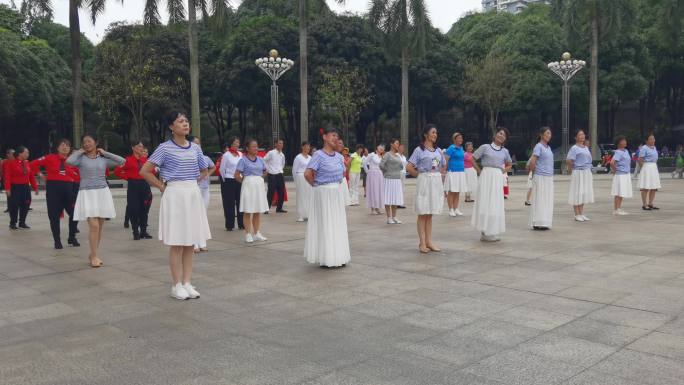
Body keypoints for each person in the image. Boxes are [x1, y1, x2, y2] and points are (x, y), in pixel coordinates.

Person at [140, 112, 210, 300]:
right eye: (180, 121)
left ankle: (187, 282)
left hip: (192, 193)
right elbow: (145, 171)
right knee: (177, 242)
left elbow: (204, 169)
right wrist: (163, 186)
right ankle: (176, 284)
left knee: (189, 242)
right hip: (175, 194)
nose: (185, 124)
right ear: (171, 127)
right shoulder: (164, 148)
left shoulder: (195, 148)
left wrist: (190, 183)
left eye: (186, 121)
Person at [67, 134, 124, 267]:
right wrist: (79, 151)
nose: (86, 144)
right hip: (87, 193)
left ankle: (93, 254)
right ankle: (94, 256)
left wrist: (105, 152)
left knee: (99, 227)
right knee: (94, 226)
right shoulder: (80, 159)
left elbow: (121, 161)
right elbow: (69, 161)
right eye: (84, 142)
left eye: (89, 141)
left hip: (102, 193)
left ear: (96, 142)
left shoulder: (103, 159)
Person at [304, 128, 350, 267]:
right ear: (324, 137)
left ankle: (339, 256)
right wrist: (317, 186)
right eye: (333, 135)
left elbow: (343, 173)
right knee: (326, 224)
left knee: (337, 223)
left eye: (337, 136)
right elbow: (307, 174)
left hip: (336, 192)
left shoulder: (339, 156)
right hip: (323, 193)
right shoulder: (318, 155)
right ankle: (326, 257)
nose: (335, 138)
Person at [30, 139, 80, 249]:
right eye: (62, 145)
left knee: (75, 213)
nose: (65, 147)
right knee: (54, 217)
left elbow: (79, 175)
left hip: (69, 189)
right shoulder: (49, 158)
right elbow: (33, 164)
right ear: (57, 148)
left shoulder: (73, 161)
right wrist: (40, 175)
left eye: (67, 145)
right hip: (54, 190)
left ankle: (72, 237)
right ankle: (57, 241)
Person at [407, 124, 445, 253]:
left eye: (436, 133)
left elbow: (443, 165)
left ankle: (429, 241)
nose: (435, 135)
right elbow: (409, 166)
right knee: (423, 212)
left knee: (430, 214)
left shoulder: (439, 150)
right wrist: (420, 175)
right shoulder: (419, 150)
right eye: (433, 132)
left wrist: (440, 177)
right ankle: (422, 243)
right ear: (426, 134)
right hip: (424, 181)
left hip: (435, 181)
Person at [471, 127, 512, 242]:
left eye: (504, 135)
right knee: (485, 202)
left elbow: (510, 164)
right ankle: (484, 231)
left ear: (505, 139)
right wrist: (479, 171)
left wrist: (502, 171)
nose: (501, 136)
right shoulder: (485, 147)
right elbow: (472, 158)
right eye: (500, 133)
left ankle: (493, 230)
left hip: (497, 177)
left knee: (495, 203)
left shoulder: (505, 151)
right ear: (495, 134)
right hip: (486, 175)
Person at [114, 140, 154, 240]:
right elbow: (117, 171)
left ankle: (143, 231)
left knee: (144, 209)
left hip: (144, 185)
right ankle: (135, 231)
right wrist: (128, 177)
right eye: (139, 146)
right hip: (133, 186)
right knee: (134, 209)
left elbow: (152, 171)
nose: (141, 148)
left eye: (142, 146)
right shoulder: (127, 160)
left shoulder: (145, 161)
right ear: (133, 148)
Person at [235, 139, 269, 243]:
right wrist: (246, 182)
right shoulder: (243, 160)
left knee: (257, 210)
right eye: (253, 146)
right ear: (247, 148)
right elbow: (236, 175)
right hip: (248, 185)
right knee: (248, 210)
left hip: (258, 185)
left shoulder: (260, 159)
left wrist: (259, 179)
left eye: (256, 146)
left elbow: (266, 170)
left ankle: (257, 233)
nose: (256, 148)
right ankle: (248, 234)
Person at [189, 136, 215, 253]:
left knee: (202, 215)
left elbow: (212, 167)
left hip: (204, 189)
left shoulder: (205, 158)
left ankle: (202, 242)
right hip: (193, 189)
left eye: (199, 144)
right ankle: (193, 243)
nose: (198, 146)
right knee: (193, 215)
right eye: (195, 143)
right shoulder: (188, 158)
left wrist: (206, 175)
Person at [4, 146, 38, 230]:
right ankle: (13, 223)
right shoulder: (11, 163)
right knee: (14, 205)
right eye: (26, 152)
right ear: (20, 153)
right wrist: (7, 189)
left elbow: (31, 176)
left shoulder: (27, 163)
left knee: (26, 204)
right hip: (15, 187)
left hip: (25, 187)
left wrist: (35, 187)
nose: (28, 154)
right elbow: (7, 177)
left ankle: (22, 222)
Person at [528, 127, 555, 230]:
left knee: (547, 200)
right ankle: (537, 221)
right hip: (540, 176)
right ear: (541, 134)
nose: (549, 135)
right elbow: (532, 161)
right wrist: (533, 174)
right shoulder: (538, 146)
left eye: (550, 134)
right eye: (547, 133)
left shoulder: (548, 148)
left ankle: (545, 221)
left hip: (548, 177)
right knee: (540, 199)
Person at [566, 129, 594, 222]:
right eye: (580, 135)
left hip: (586, 172)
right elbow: (569, 160)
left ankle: (581, 213)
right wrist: (571, 169)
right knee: (577, 192)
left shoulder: (585, 148)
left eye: (583, 134)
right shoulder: (574, 148)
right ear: (576, 137)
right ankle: (576, 214)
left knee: (583, 193)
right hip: (578, 172)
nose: (582, 136)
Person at [219, 137, 244, 231]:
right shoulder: (226, 155)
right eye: (235, 142)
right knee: (229, 203)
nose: (237, 144)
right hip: (229, 180)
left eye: (238, 142)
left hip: (239, 180)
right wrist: (225, 180)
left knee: (240, 202)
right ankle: (230, 225)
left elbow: (242, 167)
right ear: (231, 144)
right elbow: (222, 169)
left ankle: (242, 224)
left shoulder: (240, 154)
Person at [380, 138, 404, 224]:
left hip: (397, 179)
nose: (398, 145)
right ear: (392, 144)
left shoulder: (398, 156)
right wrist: (387, 171)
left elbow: (401, 166)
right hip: (388, 179)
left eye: (398, 143)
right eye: (397, 143)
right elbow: (381, 165)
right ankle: (389, 217)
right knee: (388, 198)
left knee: (395, 199)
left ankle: (394, 217)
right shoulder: (387, 154)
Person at [444, 132, 467, 216]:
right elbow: (445, 160)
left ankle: (456, 208)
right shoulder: (451, 148)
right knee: (452, 191)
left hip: (461, 172)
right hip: (452, 172)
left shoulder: (461, 148)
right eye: (459, 138)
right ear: (454, 139)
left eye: (461, 138)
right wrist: (444, 170)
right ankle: (450, 209)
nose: (461, 140)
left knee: (457, 191)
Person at [638, 134, 661, 210]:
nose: (653, 140)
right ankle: (644, 204)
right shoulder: (644, 148)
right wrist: (643, 169)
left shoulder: (654, 148)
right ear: (647, 141)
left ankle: (650, 203)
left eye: (653, 138)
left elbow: (656, 158)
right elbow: (640, 159)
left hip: (654, 167)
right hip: (647, 167)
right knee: (646, 187)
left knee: (654, 187)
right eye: (651, 139)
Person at [610, 136, 632, 215]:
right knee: (618, 192)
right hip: (620, 175)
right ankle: (616, 209)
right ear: (619, 143)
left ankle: (619, 208)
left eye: (625, 140)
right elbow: (612, 162)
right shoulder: (618, 152)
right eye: (623, 141)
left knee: (622, 192)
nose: (625, 142)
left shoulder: (626, 151)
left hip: (626, 174)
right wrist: (615, 170)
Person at [264, 139, 287, 213]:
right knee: (271, 192)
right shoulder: (271, 153)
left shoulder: (282, 154)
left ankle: (279, 208)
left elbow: (282, 164)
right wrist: (267, 169)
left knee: (281, 192)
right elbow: (264, 160)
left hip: (280, 174)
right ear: (275, 144)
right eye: (279, 143)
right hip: (272, 174)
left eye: (282, 143)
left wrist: (280, 170)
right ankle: (266, 208)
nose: (281, 145)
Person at [293, 141, 312, 222]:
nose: (307, 148)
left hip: (308, 178)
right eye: (306, 146)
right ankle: (301, 215)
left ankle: (308, 214)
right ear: (302, 147)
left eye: (309, 146)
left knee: (309, 196)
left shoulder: (310, 158)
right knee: (301, 196)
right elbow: (294, 170)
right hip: (300, 177)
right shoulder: (298, 157)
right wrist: (296, 181)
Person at [363, 144, 385, 215]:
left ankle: (377, 208)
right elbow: (364, 163)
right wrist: (367, 171)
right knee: (373, 190)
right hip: (372, 174)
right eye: (380, 147)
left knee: (378, 191)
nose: (381, 148)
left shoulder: (382, 157)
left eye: (382, 148)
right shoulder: (372, 155)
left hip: (379, 174)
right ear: (376, 148)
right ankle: (372, 209)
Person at [1, 149, 15, 213]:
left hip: (15, 181)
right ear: (8, 155)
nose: (14, 155)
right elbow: (1, 171)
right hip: (7, 181)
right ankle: (9, 208)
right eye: (12, 153)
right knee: (9, 195)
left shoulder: (17, 161)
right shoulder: (4, 162)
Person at [397, 144, 408, 208]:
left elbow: (406, 165)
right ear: (398, 148)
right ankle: (396, 203)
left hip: (403, 173)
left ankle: (401, 203)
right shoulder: (396, 155)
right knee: (398, 188)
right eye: (401, 148)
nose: (402, 149)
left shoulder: (404, 157)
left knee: (402, 188)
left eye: (403, 148)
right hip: (398, 173)